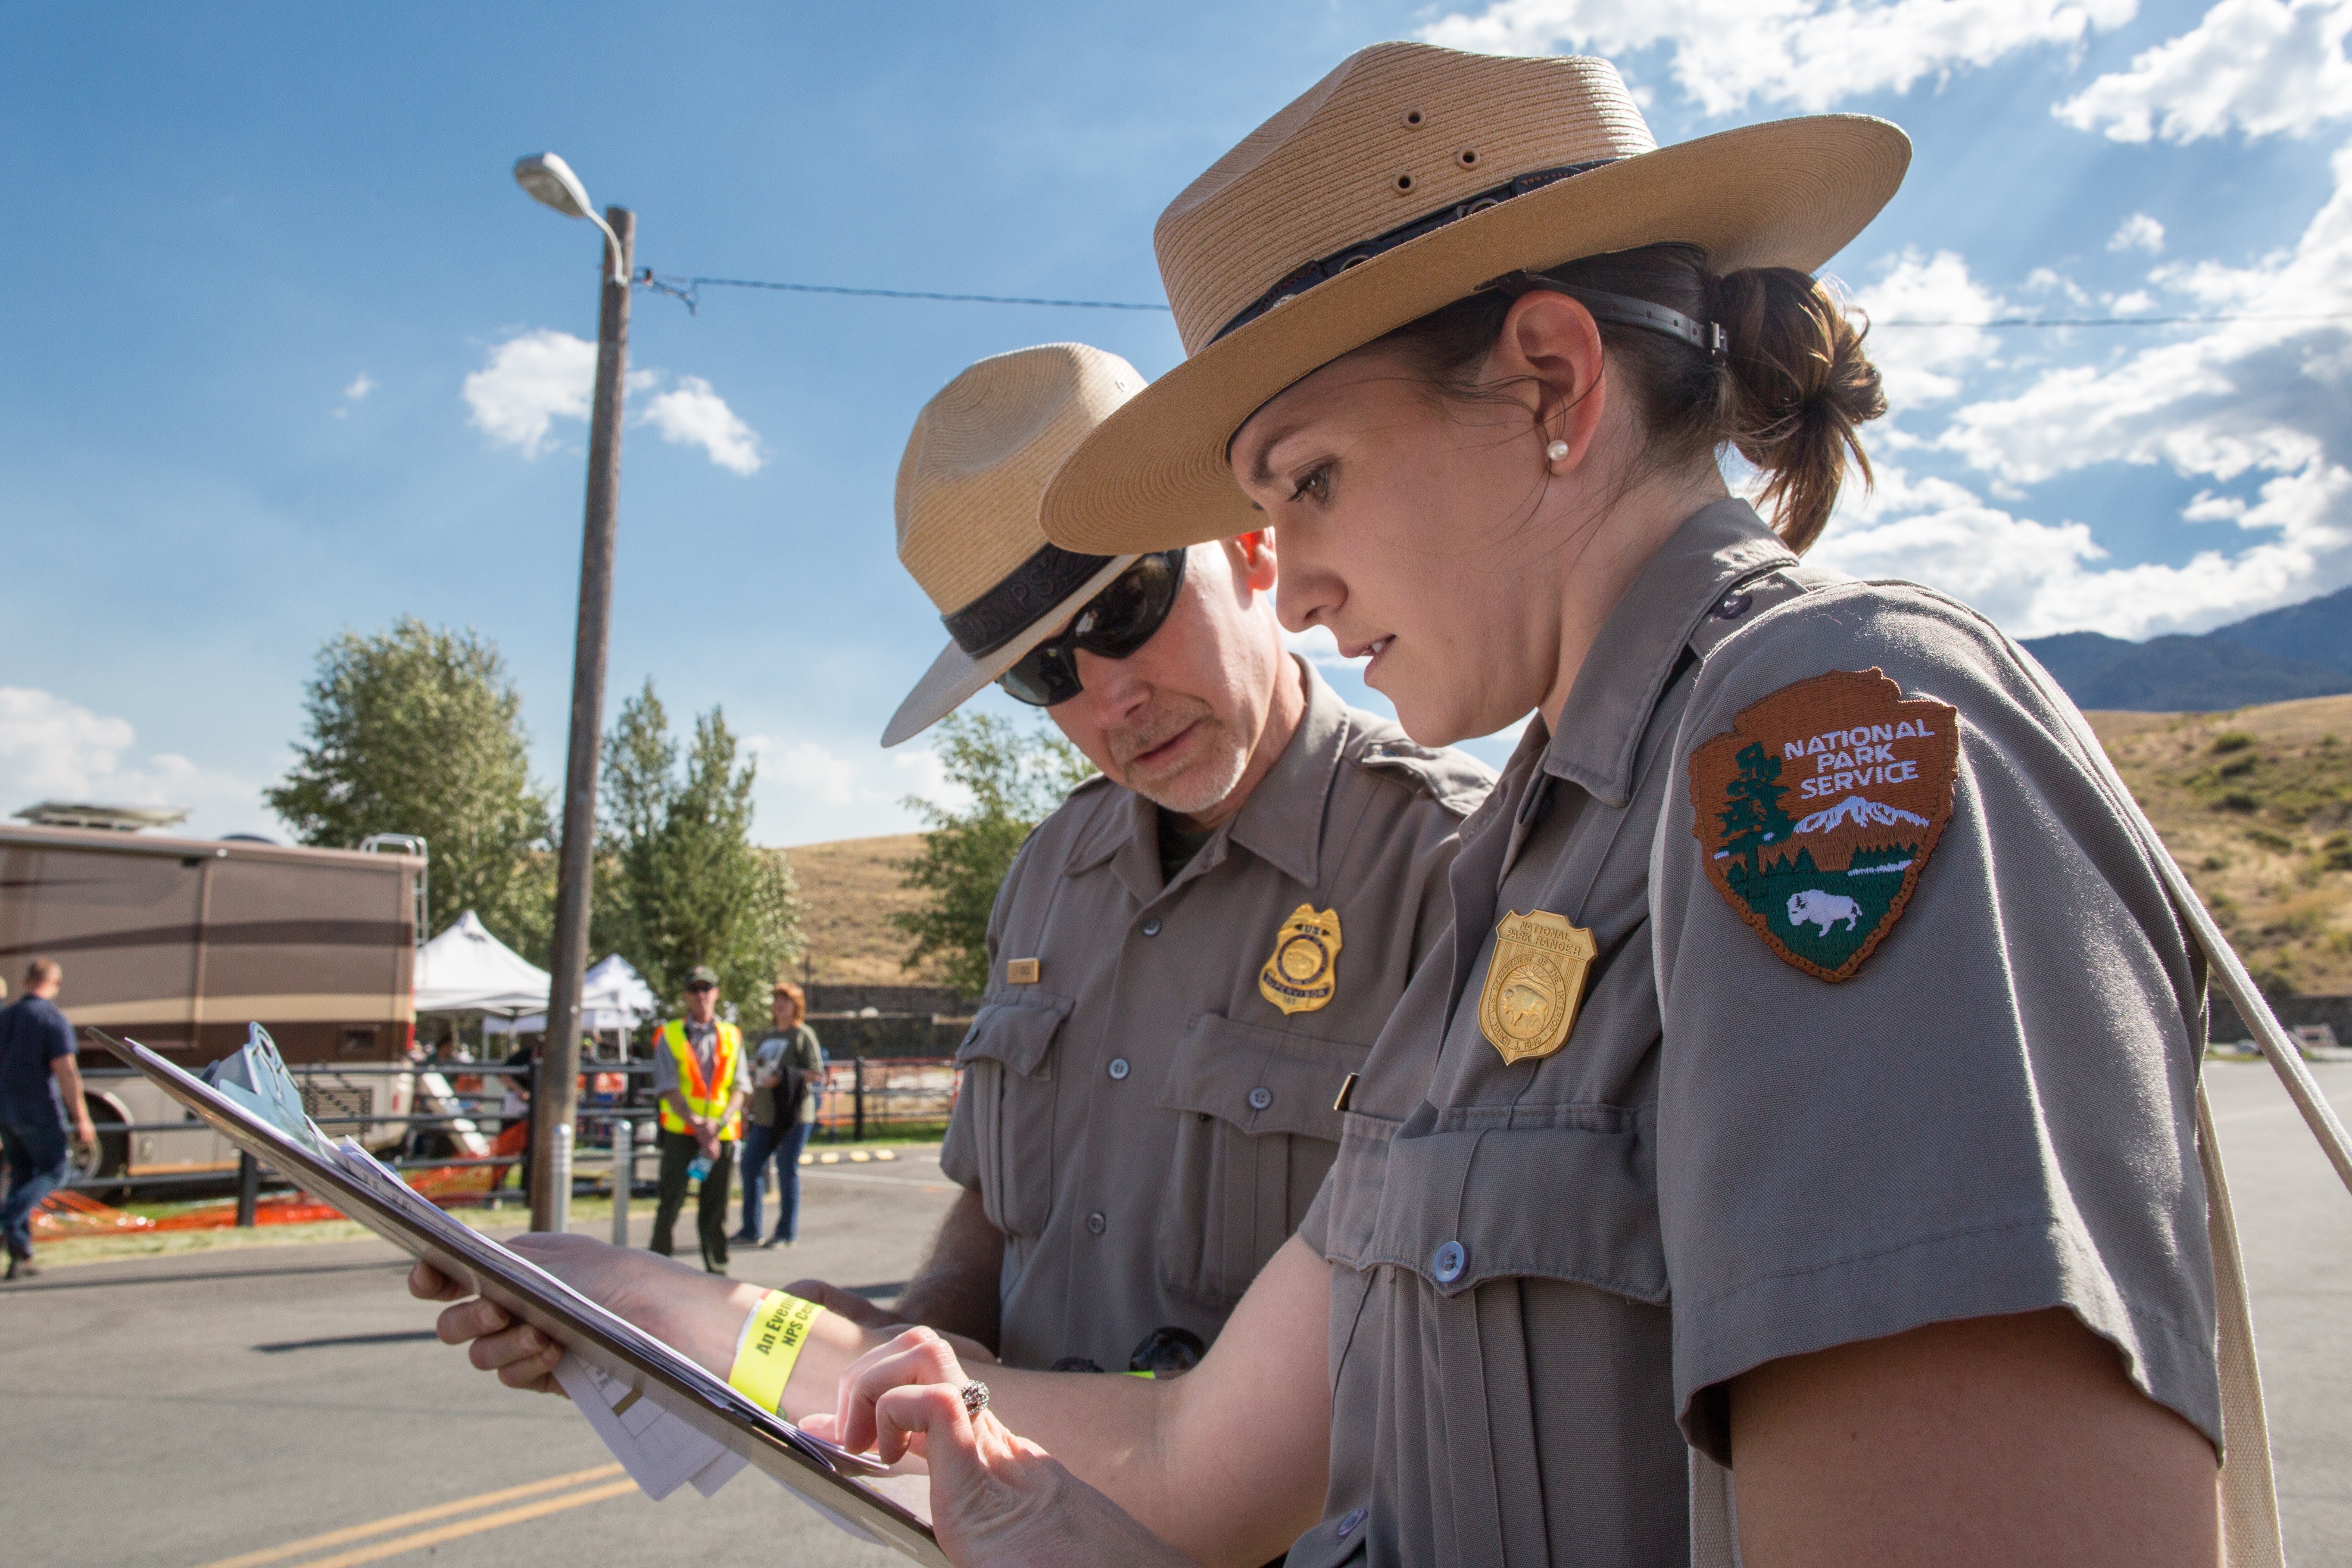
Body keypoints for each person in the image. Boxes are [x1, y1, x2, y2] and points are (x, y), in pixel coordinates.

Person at [423, 41, 2243, 1568]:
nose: (1280, 574)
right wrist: (679, 1320)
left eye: (1301, 477)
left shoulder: (1827, 734)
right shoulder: (1522, 859)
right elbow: (1205, 1452)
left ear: (1547, 380)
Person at [771, 341, 1491, 1375]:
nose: (1108, 697)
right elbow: (997, 1216)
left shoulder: (1448, 862)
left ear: (1252, 548)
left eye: (1126, 607)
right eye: (1042, 669)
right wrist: (903, 1332)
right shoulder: (1045, 878)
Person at [647, 966, 750, 1274]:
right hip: (682, 1132)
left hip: (721, 1134)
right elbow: (667, 1086)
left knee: (716, 1208)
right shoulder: (671, 1034)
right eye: (695, 989)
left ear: (717, 993)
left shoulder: (732, 1035)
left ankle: (717, 1271)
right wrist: (698, 1125)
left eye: (707, 988)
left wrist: (717, 1125)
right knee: (670, 1203)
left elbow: (741, 1087)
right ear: (686, 996)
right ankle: (656, 1267)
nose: (701, 995)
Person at [0, 960, 95, 1281]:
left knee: (22, 1176)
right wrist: (82, 1117)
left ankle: (20, 1253)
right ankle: (8, 1221)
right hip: (38, 1111)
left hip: (7, 1111)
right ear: (55, 983)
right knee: (56, 1170)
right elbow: (66, 1072)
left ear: (27, 980)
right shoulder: (52, 1019)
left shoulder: (6, 1016)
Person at [735, 981, 823, 1249]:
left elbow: (816, 1073)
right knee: (750, 1166)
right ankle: (751, 1229)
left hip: (793, 1115)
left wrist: (784, 1077)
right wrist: (747, 1106)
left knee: (787, 1170)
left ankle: (786, 1233)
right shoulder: (769, 1037)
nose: (780, 1005)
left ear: (796, 1006)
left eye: (786, 1000)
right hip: (764, 1115)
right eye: (777, 1000)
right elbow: (757, 1076)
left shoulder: (802, 1035)